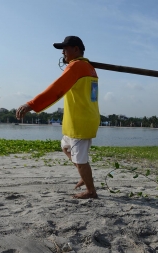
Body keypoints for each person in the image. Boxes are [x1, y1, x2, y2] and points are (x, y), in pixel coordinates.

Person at [16, 36, 100, 199]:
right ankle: (84, 175)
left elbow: (56, 89)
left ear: (76, 49)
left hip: (80, 121)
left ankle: (91, 191)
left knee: (81, 160)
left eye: (65, 48)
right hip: (84, 118)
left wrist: (31, 104)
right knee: (65, 147)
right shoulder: (89, 68)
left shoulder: (76, 66)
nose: (63, 52)